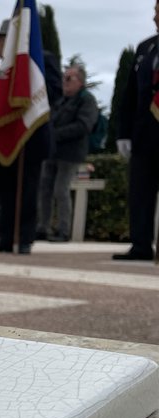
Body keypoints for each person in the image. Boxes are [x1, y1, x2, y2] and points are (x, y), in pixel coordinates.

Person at [0, 20, 60, 255]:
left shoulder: (40, 60)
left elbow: (54, 93)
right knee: (4, 189)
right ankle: (5, 238)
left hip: (30, 136)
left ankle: (24, 237)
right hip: (5, 137)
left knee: (28, 188)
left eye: (1, 39)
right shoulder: (0, 72)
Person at [113, 2, 159, 261]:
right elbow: (129, 94)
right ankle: (140, 245)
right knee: (140, 191)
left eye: (158, 12)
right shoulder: (146, 48)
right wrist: (123, 132)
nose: (154, 17)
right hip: (144, 133)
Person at [37, 64, 98, 242]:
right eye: (64, 77)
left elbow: (84, 125)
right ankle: (43, 227)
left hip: (70, 152)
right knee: (44, 188)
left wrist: (56, 134)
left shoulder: (86, 100)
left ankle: (63, 230)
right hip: (53, 151)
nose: (65, 82)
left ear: (80, 81)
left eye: (69, 78)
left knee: (60, 189)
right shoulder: (61, 101)